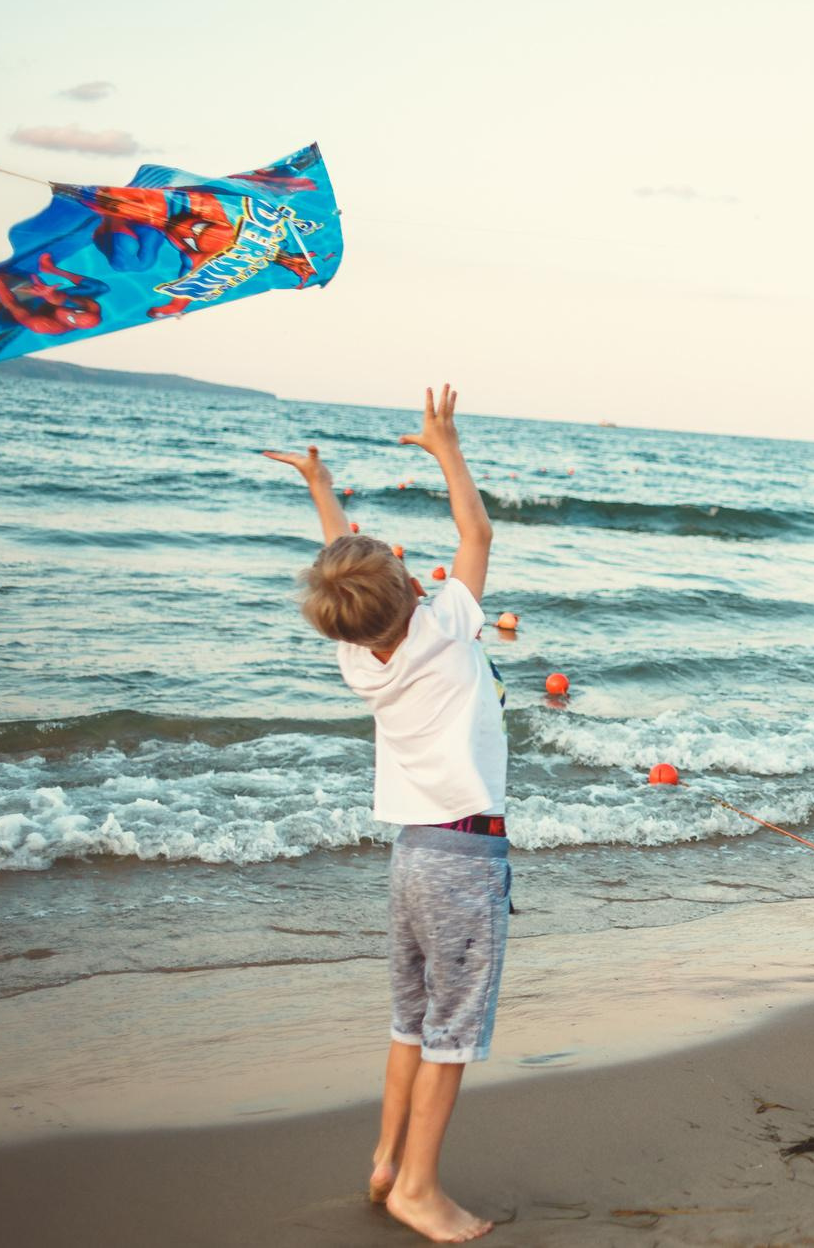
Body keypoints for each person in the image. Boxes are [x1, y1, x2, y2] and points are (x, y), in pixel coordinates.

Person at [265, 384, 506, 1244]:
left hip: (409, 857)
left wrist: (319, 487)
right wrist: (445, 446)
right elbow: (475, 533)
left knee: (410, 1020)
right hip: (463, 860)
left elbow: (345, 566)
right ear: (410, 585)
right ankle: (418, 1187)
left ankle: (384, 1159)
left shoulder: (356, 659)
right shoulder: (447, 625)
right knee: (450, 1034)